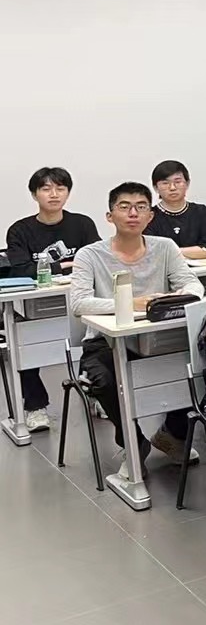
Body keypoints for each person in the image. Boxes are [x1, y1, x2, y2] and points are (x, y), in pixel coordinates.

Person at [70, 182, 204, 472]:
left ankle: (172, 435)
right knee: (104, 380)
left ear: (150, 215)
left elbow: (193, 285)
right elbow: (79, 303)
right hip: (106, 342)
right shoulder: (90, 255)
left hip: (158, 339)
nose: (133, 213)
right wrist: (132, 304)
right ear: (110, 216)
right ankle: (133, 442)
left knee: (196, 367)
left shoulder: (165, 247)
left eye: (141, 207)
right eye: (125, 207)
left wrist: (172, 298)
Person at [4, 166, 100, 431]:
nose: (54, 194)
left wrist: (60, 269)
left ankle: (96, 393)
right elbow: (20, 269)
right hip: (34, 306)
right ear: (35, 194)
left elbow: (97, 260)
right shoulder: (20, 230)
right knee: (25, 344)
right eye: (46, 189)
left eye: (60, 188)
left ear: (68, 192)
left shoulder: (82, 224)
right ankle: (35, 406)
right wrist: (65, 266)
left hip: (78, 299)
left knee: (98, 340)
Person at [145, 160, 206, 258]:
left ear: (187, 184)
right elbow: (151, 252)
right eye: (165, 183)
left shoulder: (201, 212)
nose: (172, 188)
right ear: (155, 188)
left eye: (178, 182)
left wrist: (169, 251)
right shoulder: (149, 216)